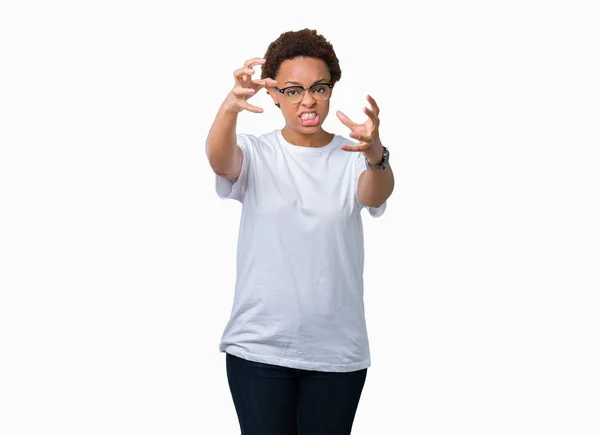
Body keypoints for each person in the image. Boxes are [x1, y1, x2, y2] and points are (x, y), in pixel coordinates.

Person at [205, 28, 395, 435]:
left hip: (336, 354)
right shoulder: (258, 154)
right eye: (292, 91)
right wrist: (230, 109)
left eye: (318, 88)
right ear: (273, 94)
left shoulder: (352, 157)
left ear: (330, 90)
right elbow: (221, 162)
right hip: (259, 349)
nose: (308, 100)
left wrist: (376, 153)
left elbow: (376, 191)